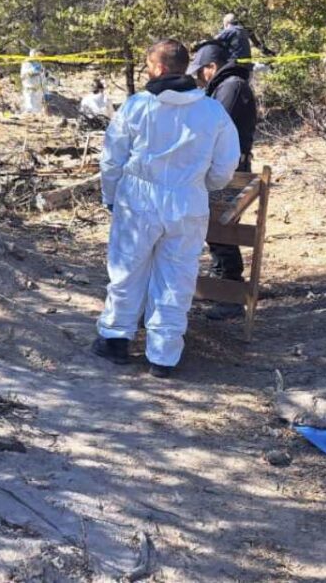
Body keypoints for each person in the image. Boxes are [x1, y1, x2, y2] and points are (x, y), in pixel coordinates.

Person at [93, 39, 240, 378]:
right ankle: (163, 355)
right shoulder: (212, 111)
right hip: (187, 202)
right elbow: (225, 166)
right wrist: (201, 186)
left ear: (158, 68)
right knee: (177, 276)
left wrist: (111, 196)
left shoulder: (137, 107)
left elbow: (112, 159)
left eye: (148, 65)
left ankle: (115, 339)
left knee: (127, 270)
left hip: (138, 199)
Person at [188, 40, 258, 321]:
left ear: (211, 67)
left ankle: (229, 294)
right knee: (216, 229)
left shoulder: (230, 87)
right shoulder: (228, 85)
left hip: (229, 171)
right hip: (227, 168)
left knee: (221, 228)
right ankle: (222, 286)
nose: (198, 77)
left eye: (200, 71)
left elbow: (215, 127)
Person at [20, 49, 47, 115]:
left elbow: (42, 76)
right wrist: (33, 71)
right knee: (30, 109)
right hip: (30, 90)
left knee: (38, 110)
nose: (40, 57)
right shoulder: (27, 63)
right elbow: (24, 75)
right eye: (39, 55)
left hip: (39, 90)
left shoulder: (40, 64)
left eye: (41, 55)